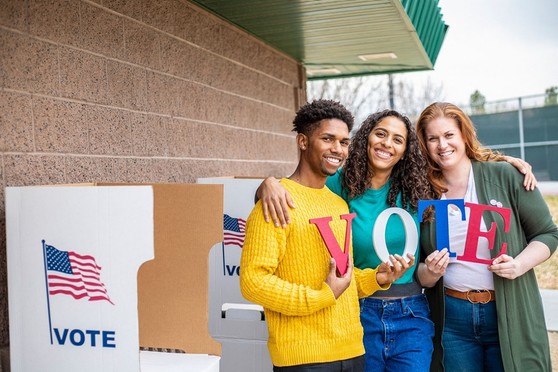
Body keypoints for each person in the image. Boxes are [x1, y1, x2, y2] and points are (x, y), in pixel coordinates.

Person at [256, 109, 537, 372]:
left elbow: (458, 163)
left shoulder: (417, 186)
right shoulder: (338, 183)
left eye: (398, 139)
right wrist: (268, 184)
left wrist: (506, 162)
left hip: (411, 313)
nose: (387, 143)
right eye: (380, 133)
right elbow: (297, 191)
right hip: (359, 312)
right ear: (365, 138)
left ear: (406, 151)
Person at [240, 100, 411, 372]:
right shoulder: (276, 201)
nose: (337, 149)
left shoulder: (338, 204)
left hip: (353, 350)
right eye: (328, 139)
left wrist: (377, 277)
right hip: (304, 357)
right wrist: (322, 295)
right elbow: (253, 281)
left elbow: (341, 276)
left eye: (344, 142)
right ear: (303, 141)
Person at [415, 102, 558, 372]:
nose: (442, 145)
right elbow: (420, 271)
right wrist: (431, 273)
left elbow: (548, 233)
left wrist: (520, 264)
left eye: (449, 135)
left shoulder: (505, 176)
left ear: (464, 136)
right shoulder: (421, 190)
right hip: (452, 319)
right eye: (432, 138)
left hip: (506, 310)